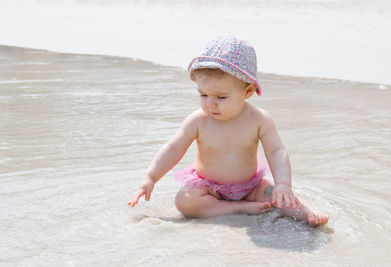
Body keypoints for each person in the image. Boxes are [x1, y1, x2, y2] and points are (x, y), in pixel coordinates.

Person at [127, 35, 329, 226]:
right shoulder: (198, 120)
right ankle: (234, 208)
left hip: (250, 187)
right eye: (203, 95)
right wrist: (150, 177)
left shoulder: (259, 120)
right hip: (208, 189)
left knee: (278, 195)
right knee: (184, 201)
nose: (210, 104)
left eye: (221, 97)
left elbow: (276, 151)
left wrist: (284, 184)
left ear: (248, 91)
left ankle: (309, 213)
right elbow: (173, 148)